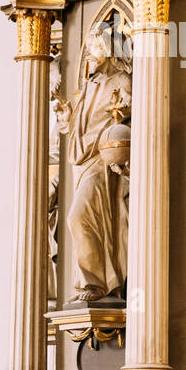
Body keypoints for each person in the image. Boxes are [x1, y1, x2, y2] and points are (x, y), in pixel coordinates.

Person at [66, 32, 130, 303]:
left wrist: (126, 111)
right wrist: (66, 117)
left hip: (103, 157)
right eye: (89, 48)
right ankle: (92, 282)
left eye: (95, 48)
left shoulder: (121, 81)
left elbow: (131, 110)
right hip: (81, 158)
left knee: (78, 216)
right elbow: (79, 121)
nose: (90, 54)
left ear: (110, 51)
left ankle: (97, 283)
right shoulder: (89, 86)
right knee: (83, 218)